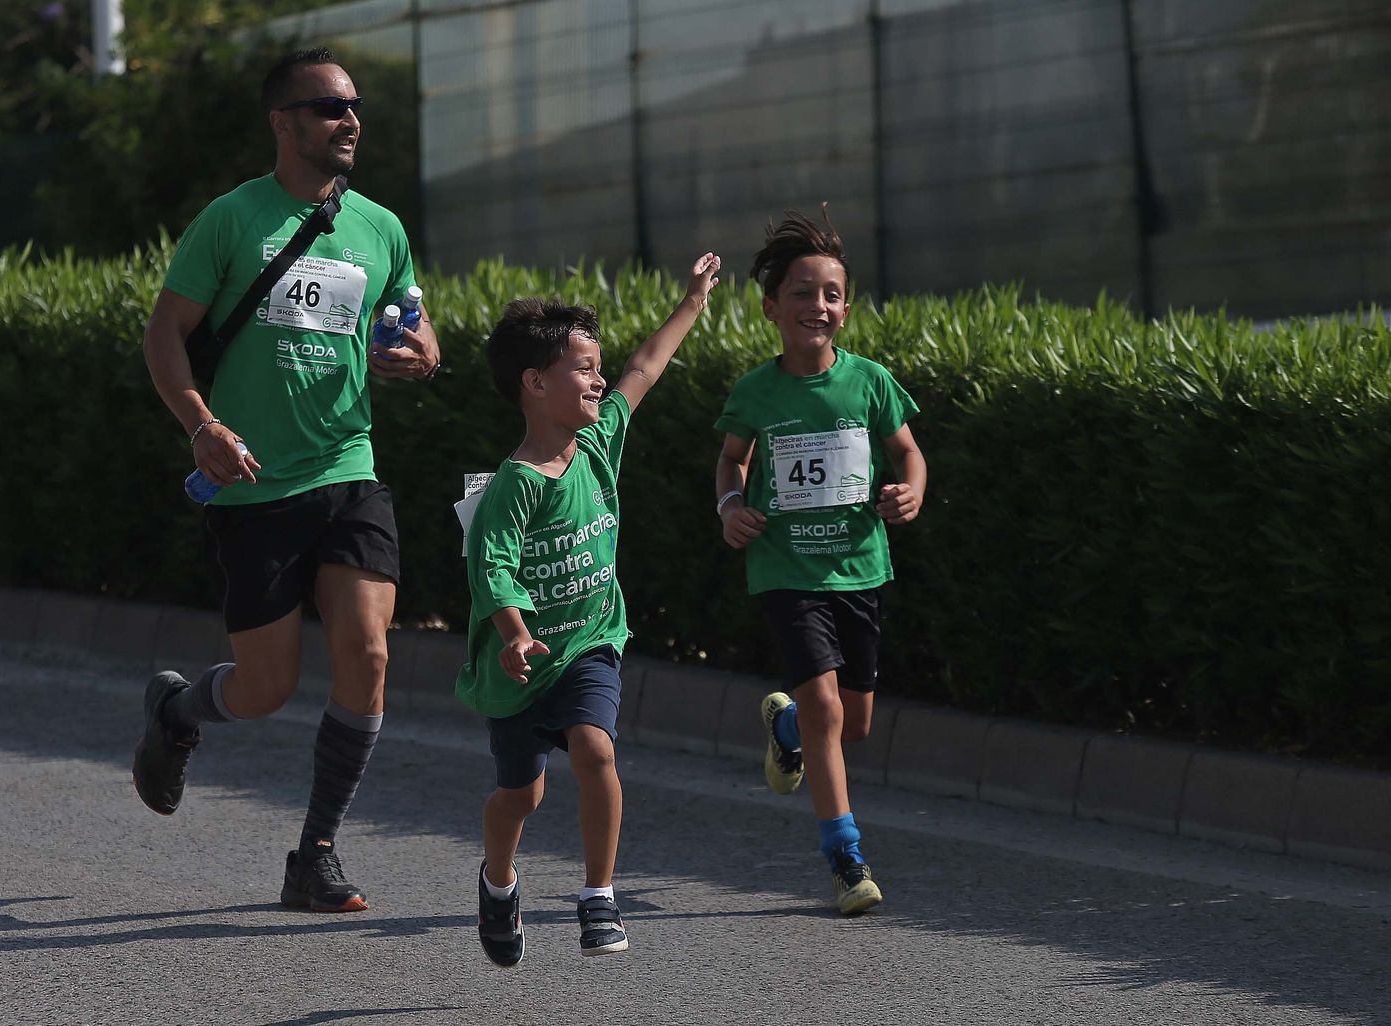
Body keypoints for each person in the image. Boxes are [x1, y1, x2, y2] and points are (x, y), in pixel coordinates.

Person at [134, 47, 440, 914]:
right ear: (283, 121)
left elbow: (416, 329)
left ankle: (315, 853)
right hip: (253, 485)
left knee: (369, 651)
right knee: (265, 688)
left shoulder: (380, 227)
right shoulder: (232, 220)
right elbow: (164, 337)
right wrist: (202, 426)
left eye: (354, 106)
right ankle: (179, 713)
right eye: (329, 107)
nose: (350, 120)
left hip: (349, 470)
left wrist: (417, 355)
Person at [457, 253, 723, 966]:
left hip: (590, 643)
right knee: (520, 797)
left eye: (597, 366)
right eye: (583, 368)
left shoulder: (600, 443)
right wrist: (513, 635)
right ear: (535, 384)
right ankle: (497, 880)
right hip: (518, 669)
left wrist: (692, 303)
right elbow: (493, 566)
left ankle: (598, 894)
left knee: (596, 748)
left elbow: (644, 367)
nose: (599, 379)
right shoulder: (515, 485)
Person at [714, 209, 925, 915]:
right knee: (828, 708)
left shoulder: (869, 382)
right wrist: (730, 507)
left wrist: (911, 491)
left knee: (852, 722)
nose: (819, 306)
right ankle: (846, 860)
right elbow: (729, 461)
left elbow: (908, 452)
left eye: (831, 293)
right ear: (772, 308)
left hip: (860, 568)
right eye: (803, 293)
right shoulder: (756, 391)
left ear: (847, 307)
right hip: (786, 570)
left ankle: (784, 728)